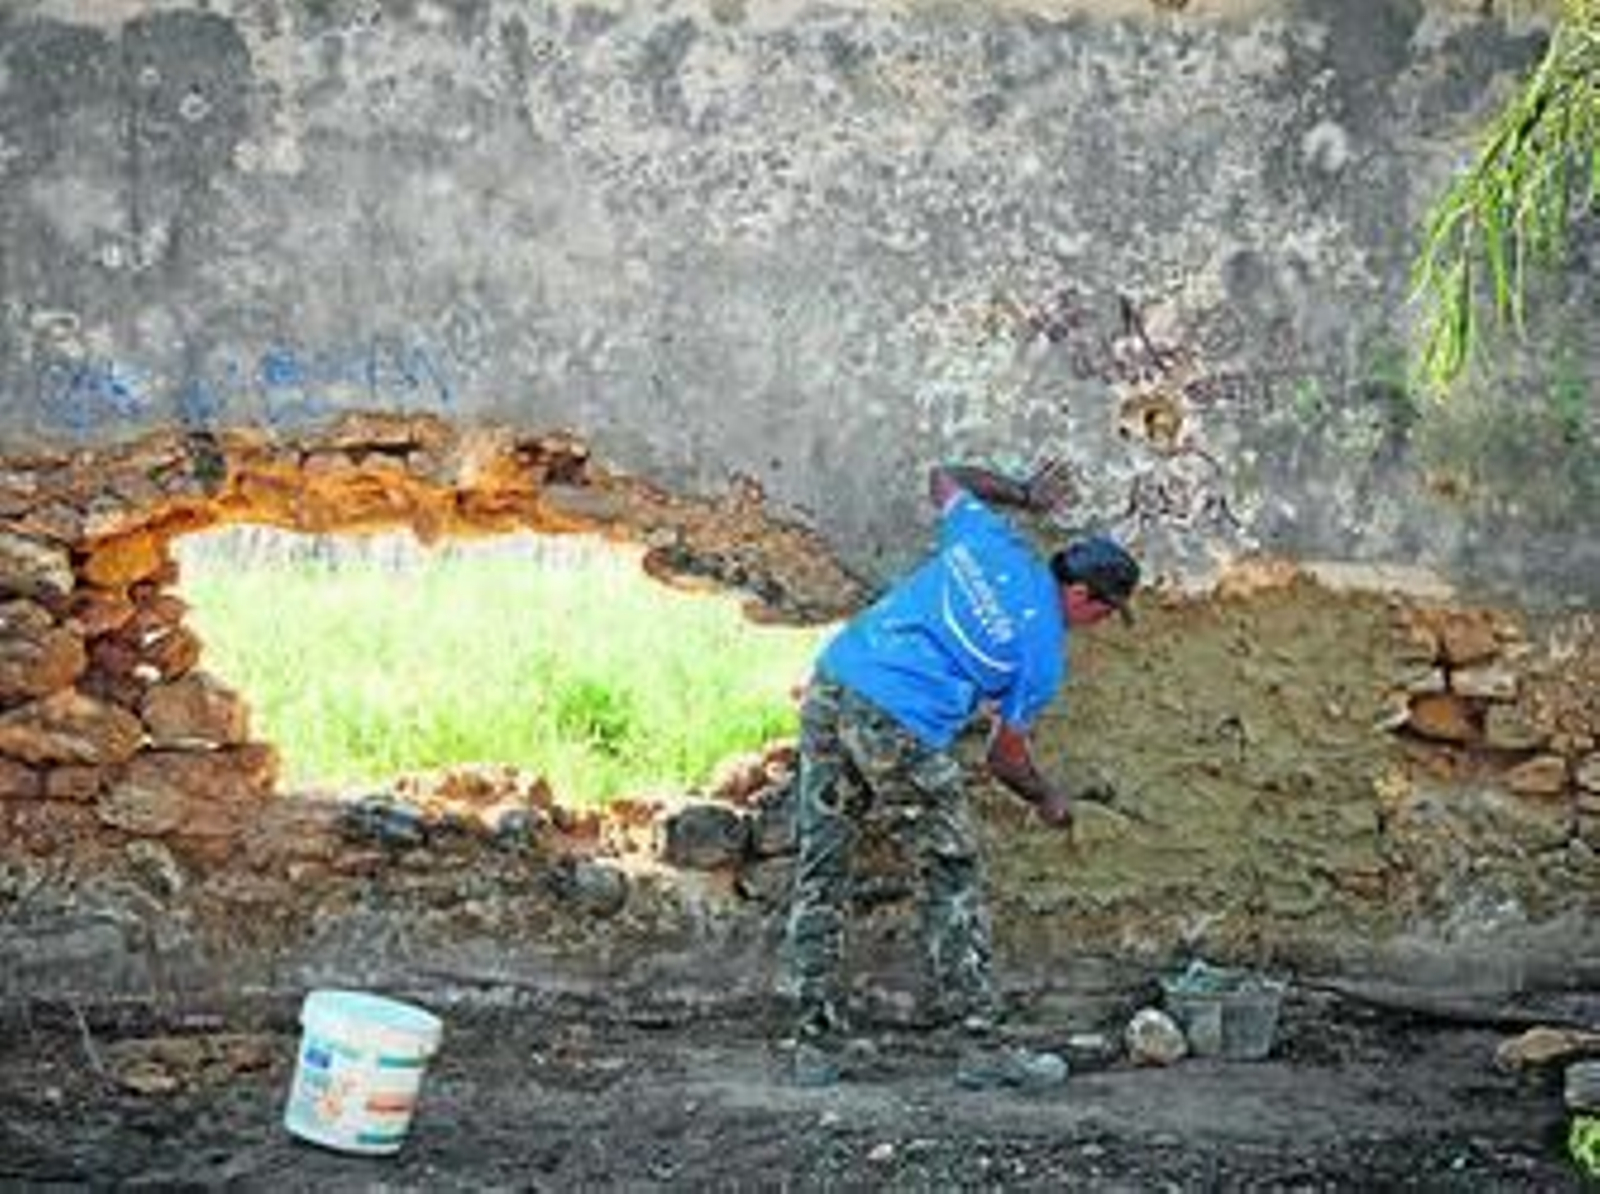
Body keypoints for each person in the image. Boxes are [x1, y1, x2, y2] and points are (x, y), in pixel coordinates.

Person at [783, 459, 1140, 1087]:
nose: (1102, 624)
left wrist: (1025, 495)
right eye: (1107, 611)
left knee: (822, 868)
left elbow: (946, 478)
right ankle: (982, 1048)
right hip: (899, 725)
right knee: (952, 880)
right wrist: (1047, 798)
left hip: (835, 683)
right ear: (1081, 596)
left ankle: (814, 1048)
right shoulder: (1043, 654)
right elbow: (1004, 757)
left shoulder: (990, 539)